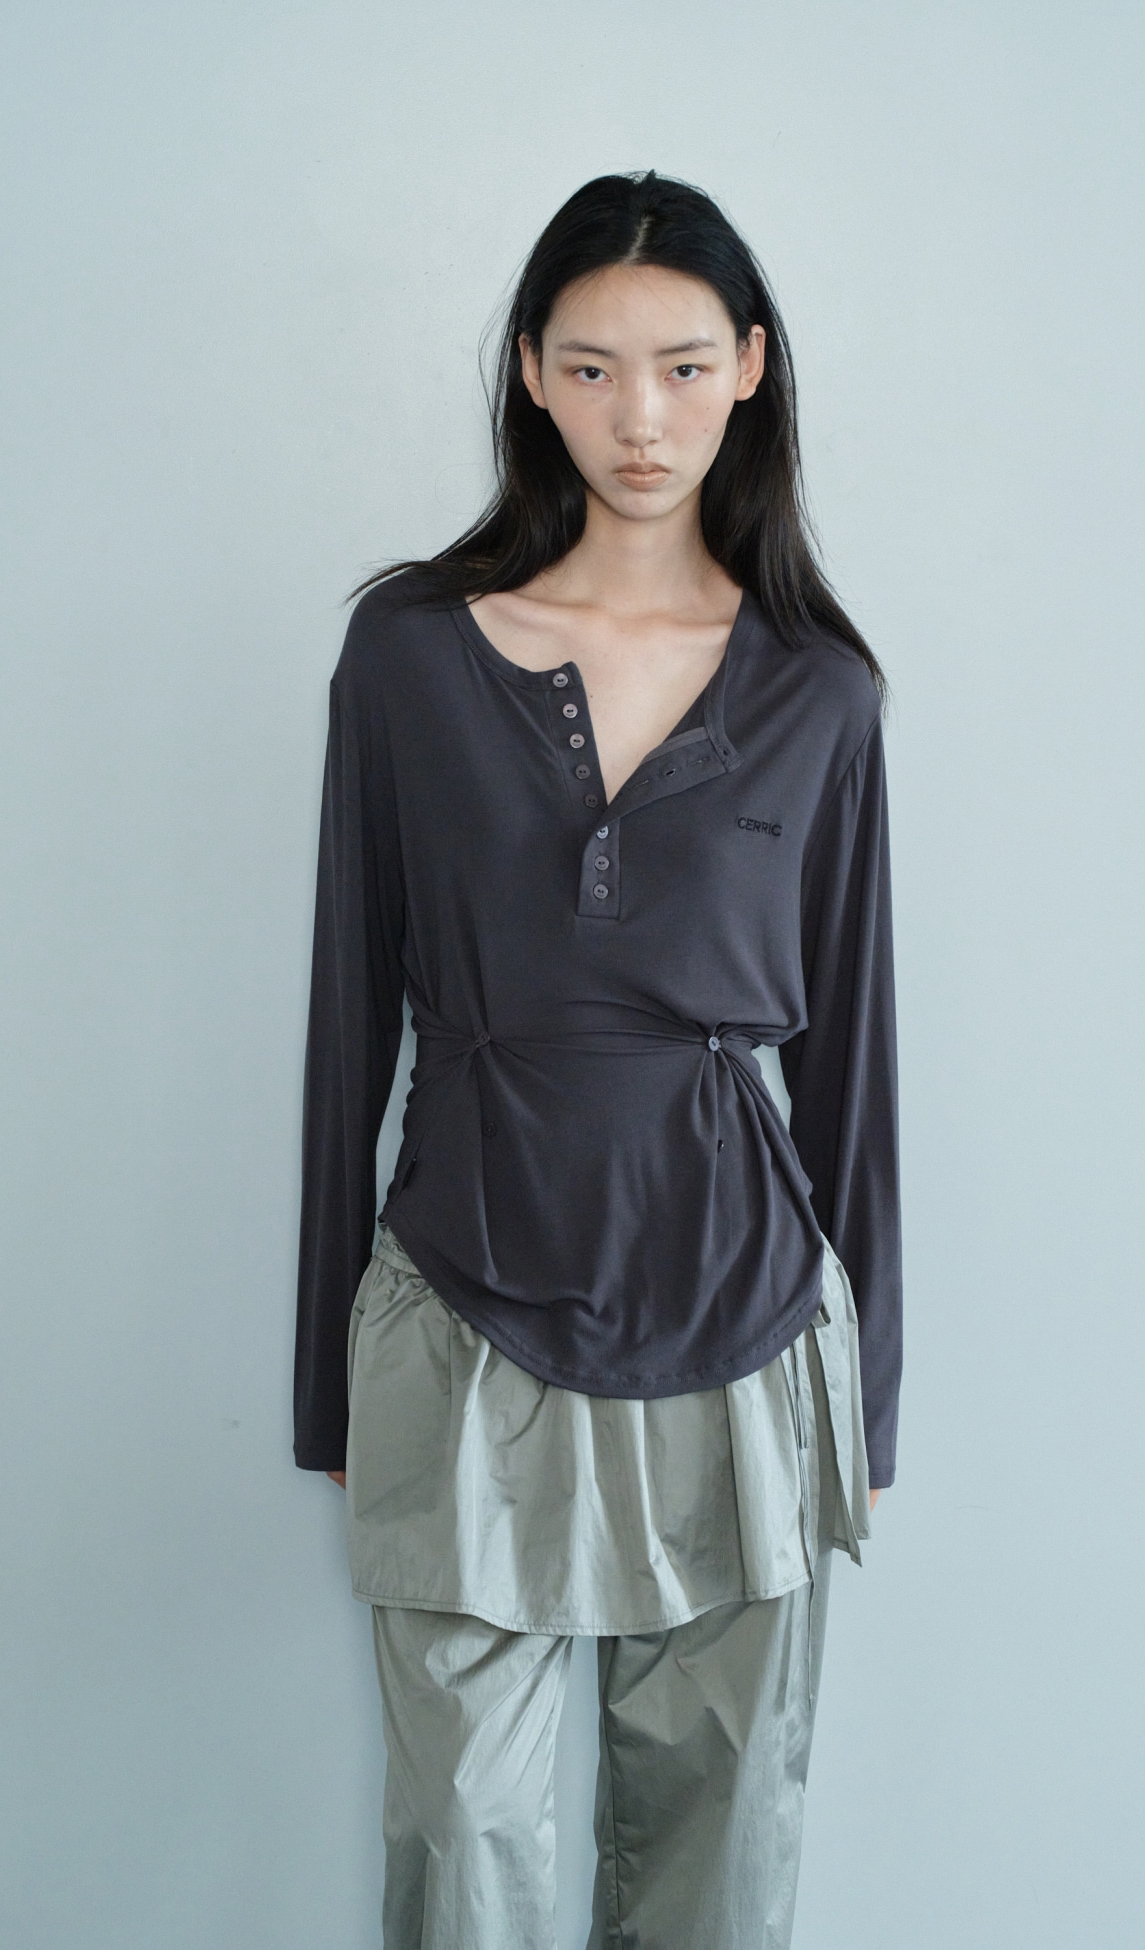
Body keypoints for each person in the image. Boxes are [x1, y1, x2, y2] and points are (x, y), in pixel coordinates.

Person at [294, 169, 901, 1950]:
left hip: (749, 1324)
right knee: (459, 1845)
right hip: (461, 1305)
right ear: (532, 375)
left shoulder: (823, 691)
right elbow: (350, 1017)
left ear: (751, 369)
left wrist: (872, 1400)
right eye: (593, 366)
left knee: (720, 1858)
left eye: (685, 365)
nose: (642, 416)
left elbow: (855, 1064)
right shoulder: (407, 655)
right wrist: (327, 1376)